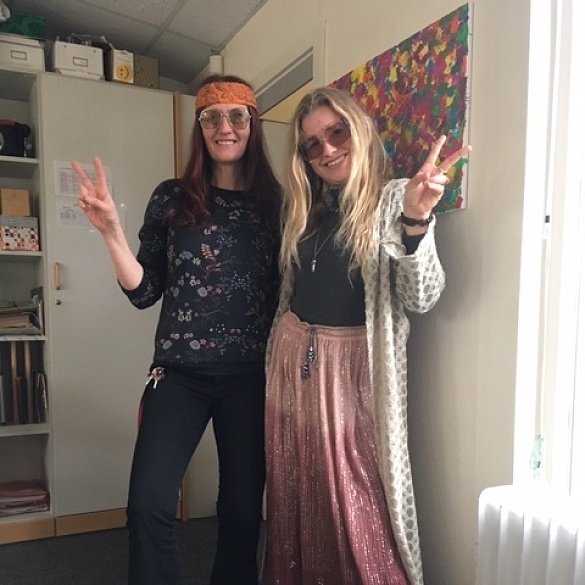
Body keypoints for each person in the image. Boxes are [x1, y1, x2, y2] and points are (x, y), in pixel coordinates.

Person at [72, 74, 281, 585]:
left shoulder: (277, 203)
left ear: (252, 124)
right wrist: (112, 234)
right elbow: (145, 291)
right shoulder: (172, 198)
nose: (225, 127)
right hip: (179, 376)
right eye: (212, 117)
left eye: (237, 116)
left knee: (241, 511)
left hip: (250, 377)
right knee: (148, 504)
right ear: (200, 128)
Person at [264, 87, 471, 585]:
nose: (328, 149)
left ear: (358, 129)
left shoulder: (396, 197)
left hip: (354, 371)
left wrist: (417, 220)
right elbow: (289, 292)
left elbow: (422, 296)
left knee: (354, 508)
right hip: (292, 361)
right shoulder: (306, 209)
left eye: (337, 132)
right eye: (313, 144)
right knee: (295, 492)